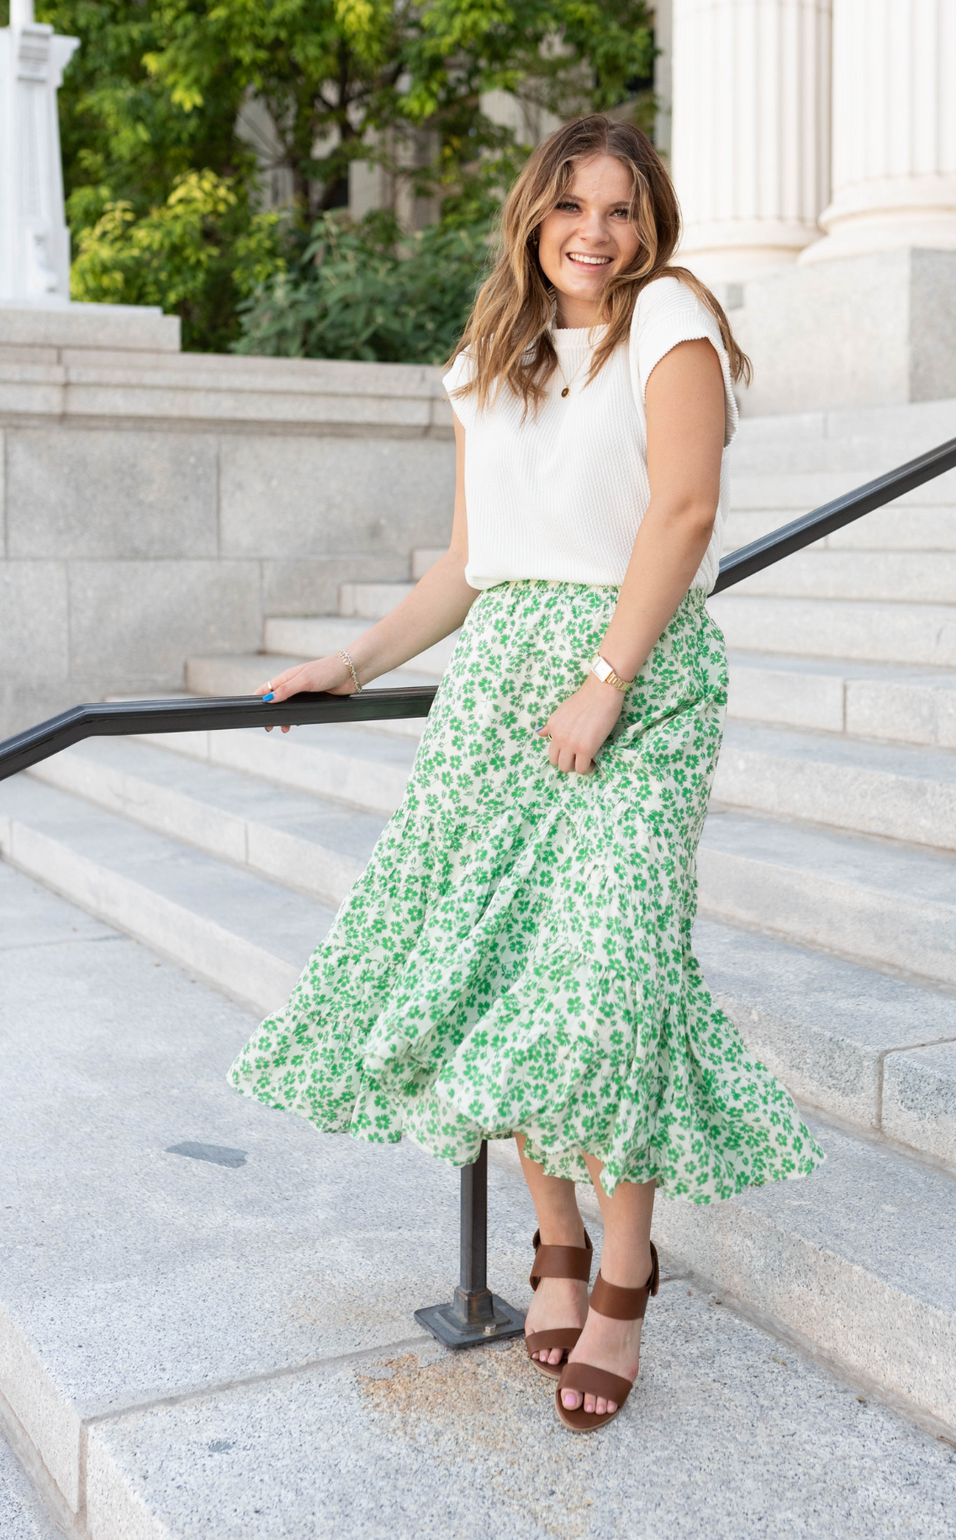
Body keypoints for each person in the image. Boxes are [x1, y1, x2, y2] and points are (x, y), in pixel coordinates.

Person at [228, 114, 824, 1434]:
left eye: (621, 209)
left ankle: (622, 1274)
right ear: (534, 217)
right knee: (504, 978)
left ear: (649, 222)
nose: (597, 235)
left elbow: (683, 513)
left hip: (636, 674)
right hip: (501, 682)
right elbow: (465, 562)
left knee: (610, 973)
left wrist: (606, 682)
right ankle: (553, 1244)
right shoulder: (485, 360)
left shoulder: (667, 319)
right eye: (574, 209)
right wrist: (353, 660)